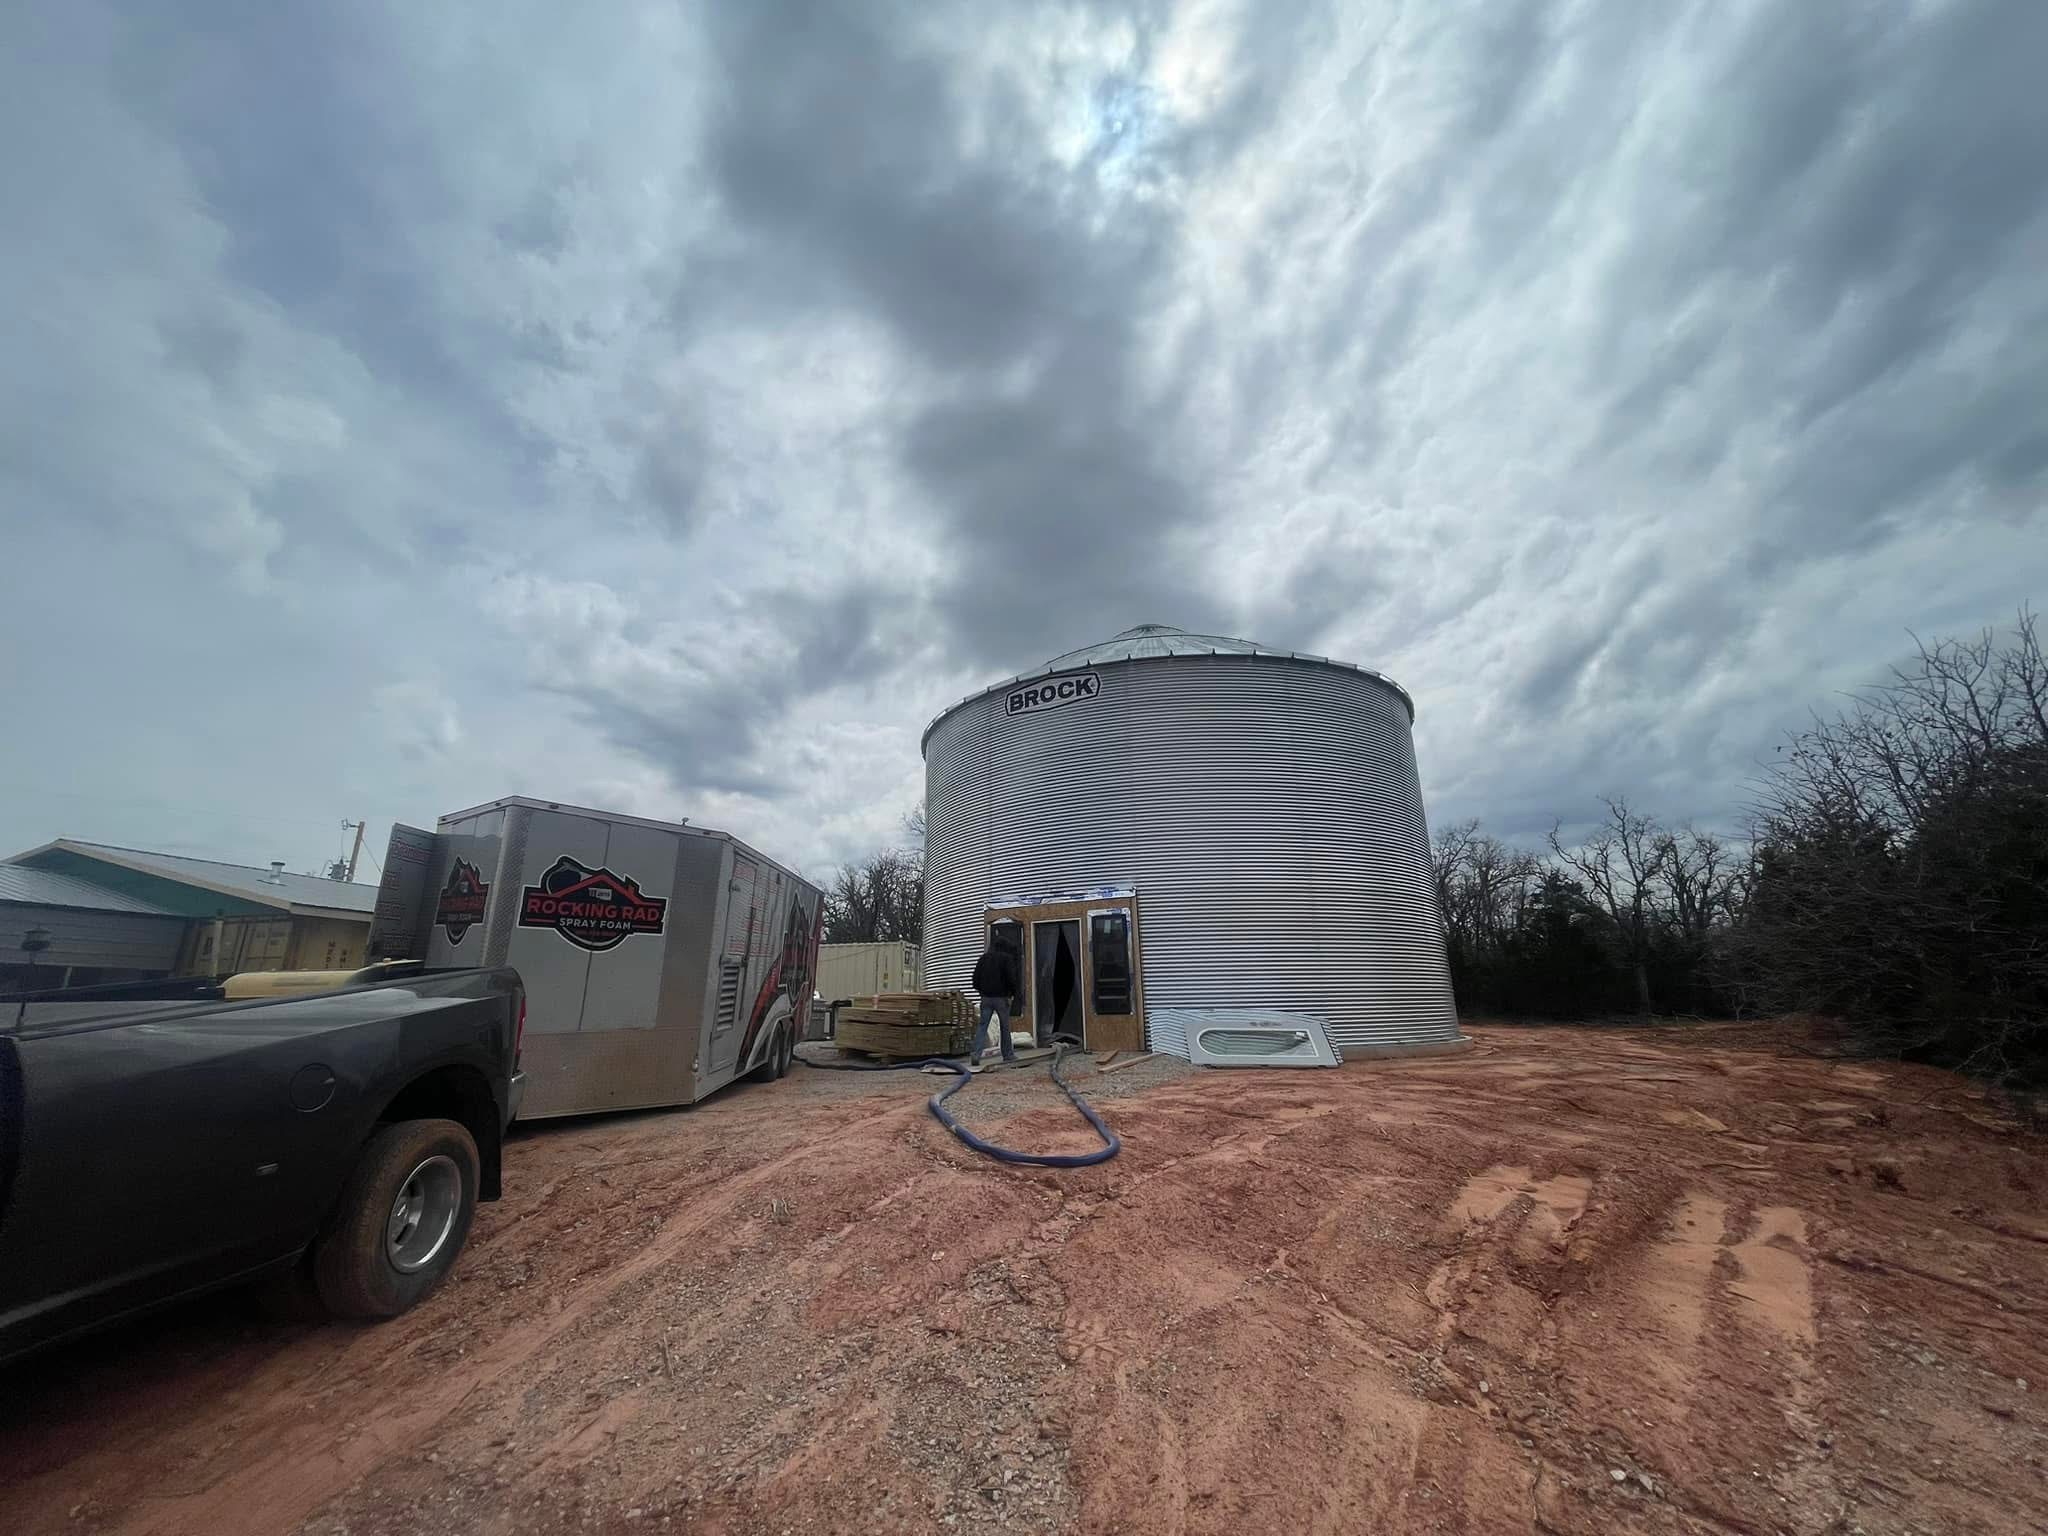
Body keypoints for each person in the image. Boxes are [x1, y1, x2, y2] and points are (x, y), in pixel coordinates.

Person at [969, 936, 1021, 1066]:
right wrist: (1012, 993)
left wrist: (982, 991)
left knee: (982, 1026)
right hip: (1001, 998)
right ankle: (1008, 1055)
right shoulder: (1006, 959)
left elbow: (975, 979)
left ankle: (976, 1054)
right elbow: (1011, 978)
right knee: (1004, 1027)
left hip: (986, 998)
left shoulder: (983, 958)